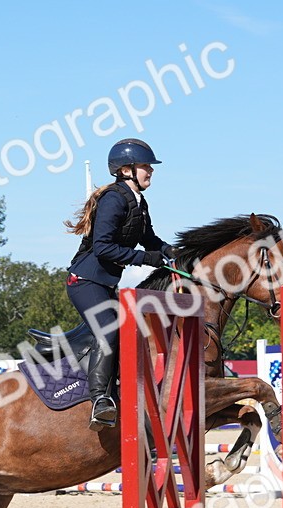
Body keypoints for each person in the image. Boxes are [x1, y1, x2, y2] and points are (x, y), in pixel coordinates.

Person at [64, 137, 174, 429]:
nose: (151, 170)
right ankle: (100, 400)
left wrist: (170, 251)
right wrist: (145, 259)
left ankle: (124, 390)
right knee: (109, 330)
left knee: (131, 331)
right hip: (84, 281)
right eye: (145, 166)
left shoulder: (138, 201)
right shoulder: (113, 199)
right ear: (126, 170)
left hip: (104, 283)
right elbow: (103, 248)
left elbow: (149, 239)